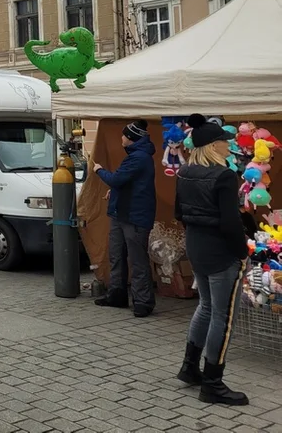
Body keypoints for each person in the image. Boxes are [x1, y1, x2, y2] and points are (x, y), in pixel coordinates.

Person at [174, 117, 249, 406]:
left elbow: (179, 212)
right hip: (220, 252)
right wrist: (241, 252)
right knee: (223, 316)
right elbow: (231, 222)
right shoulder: (224, 176)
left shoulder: (185, 172)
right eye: (224, 141)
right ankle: (213, 383)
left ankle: (190, 368)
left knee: (205, 307)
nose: (228, 144)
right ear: (213, 145)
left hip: (197, 246)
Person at [93, 119, 157, 317]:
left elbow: (117, 179)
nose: (120, 138)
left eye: (123, 135)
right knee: (117, 256)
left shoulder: (138, 158)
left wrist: (98, 170)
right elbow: (127, 183)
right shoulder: (136, 157)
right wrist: (114, 191)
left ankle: (143, 302)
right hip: (121, 213)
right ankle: (117, 295)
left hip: (134, 216)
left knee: (137, 260)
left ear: (130, 138)